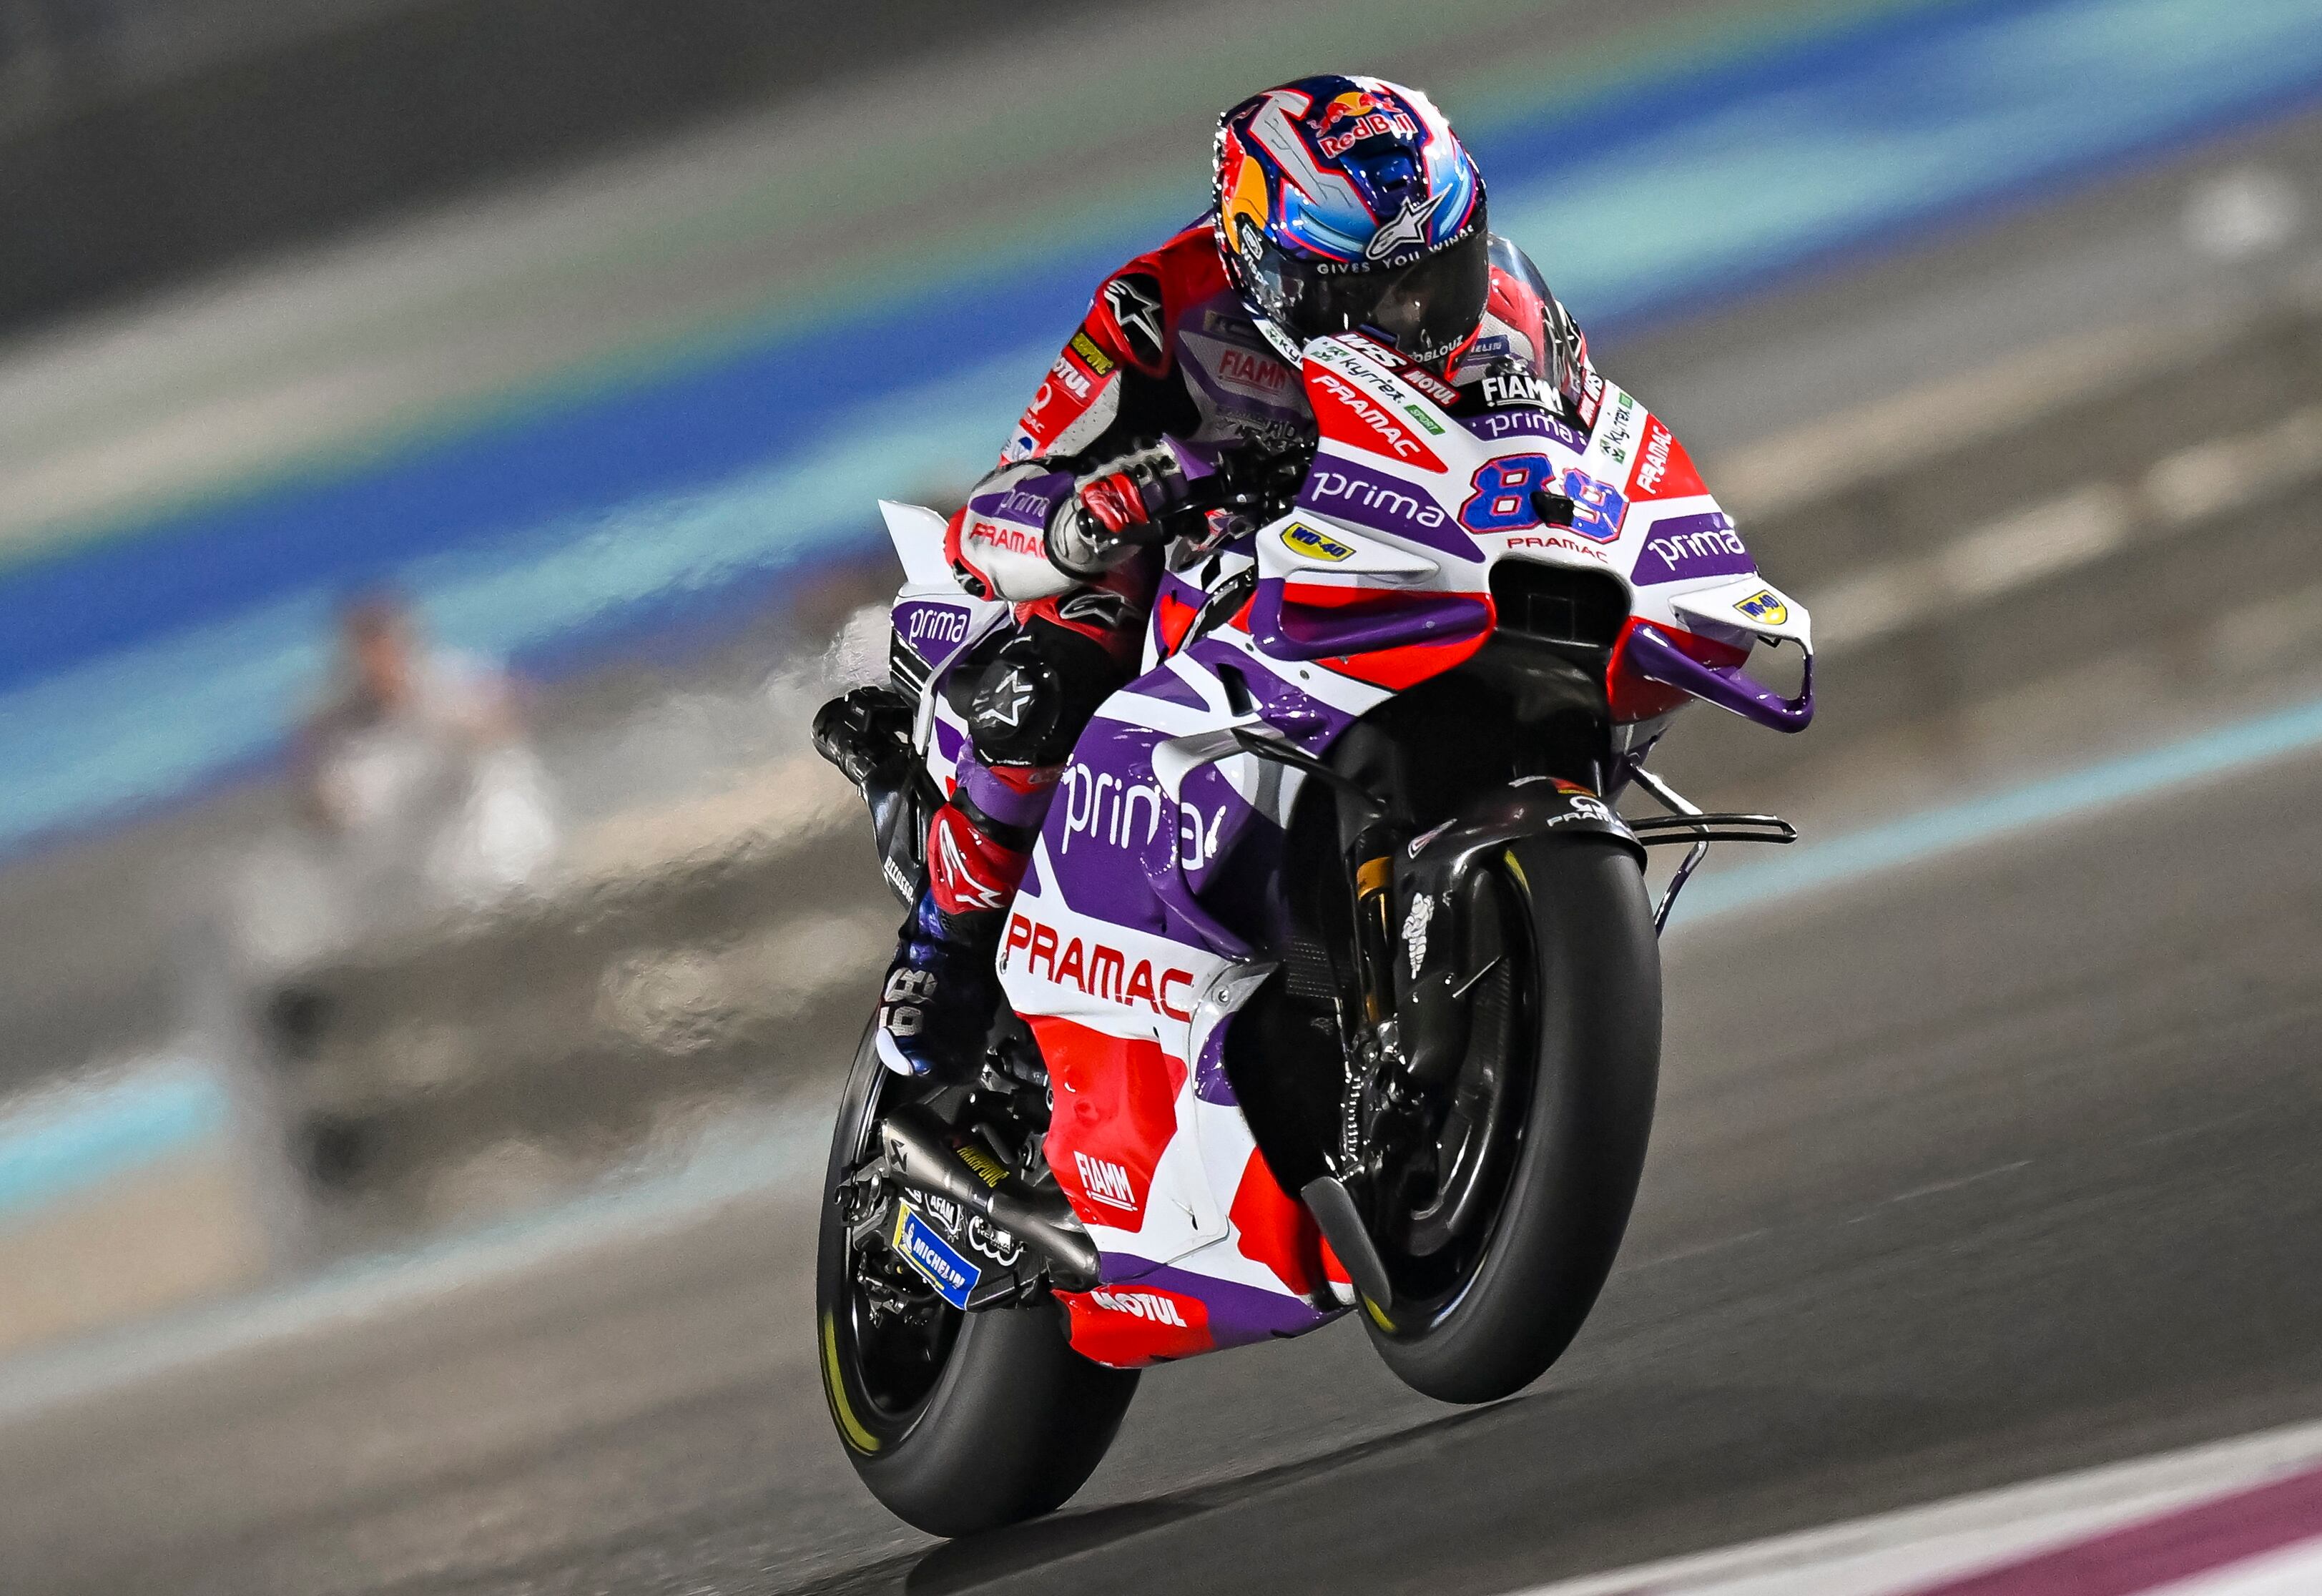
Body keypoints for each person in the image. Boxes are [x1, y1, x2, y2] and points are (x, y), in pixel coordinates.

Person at [874, 74, 1601, 1079]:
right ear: (1267, 268)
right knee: (1064, 652)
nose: (1413, 314)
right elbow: (995, 513)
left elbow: (1589, 439)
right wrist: (1095, 510)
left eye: (1440, 275)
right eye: (1368, 296)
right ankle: (945, 945)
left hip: (1415, 565)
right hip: (1213, 571)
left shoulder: (1515, 314)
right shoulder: (1156, 306)